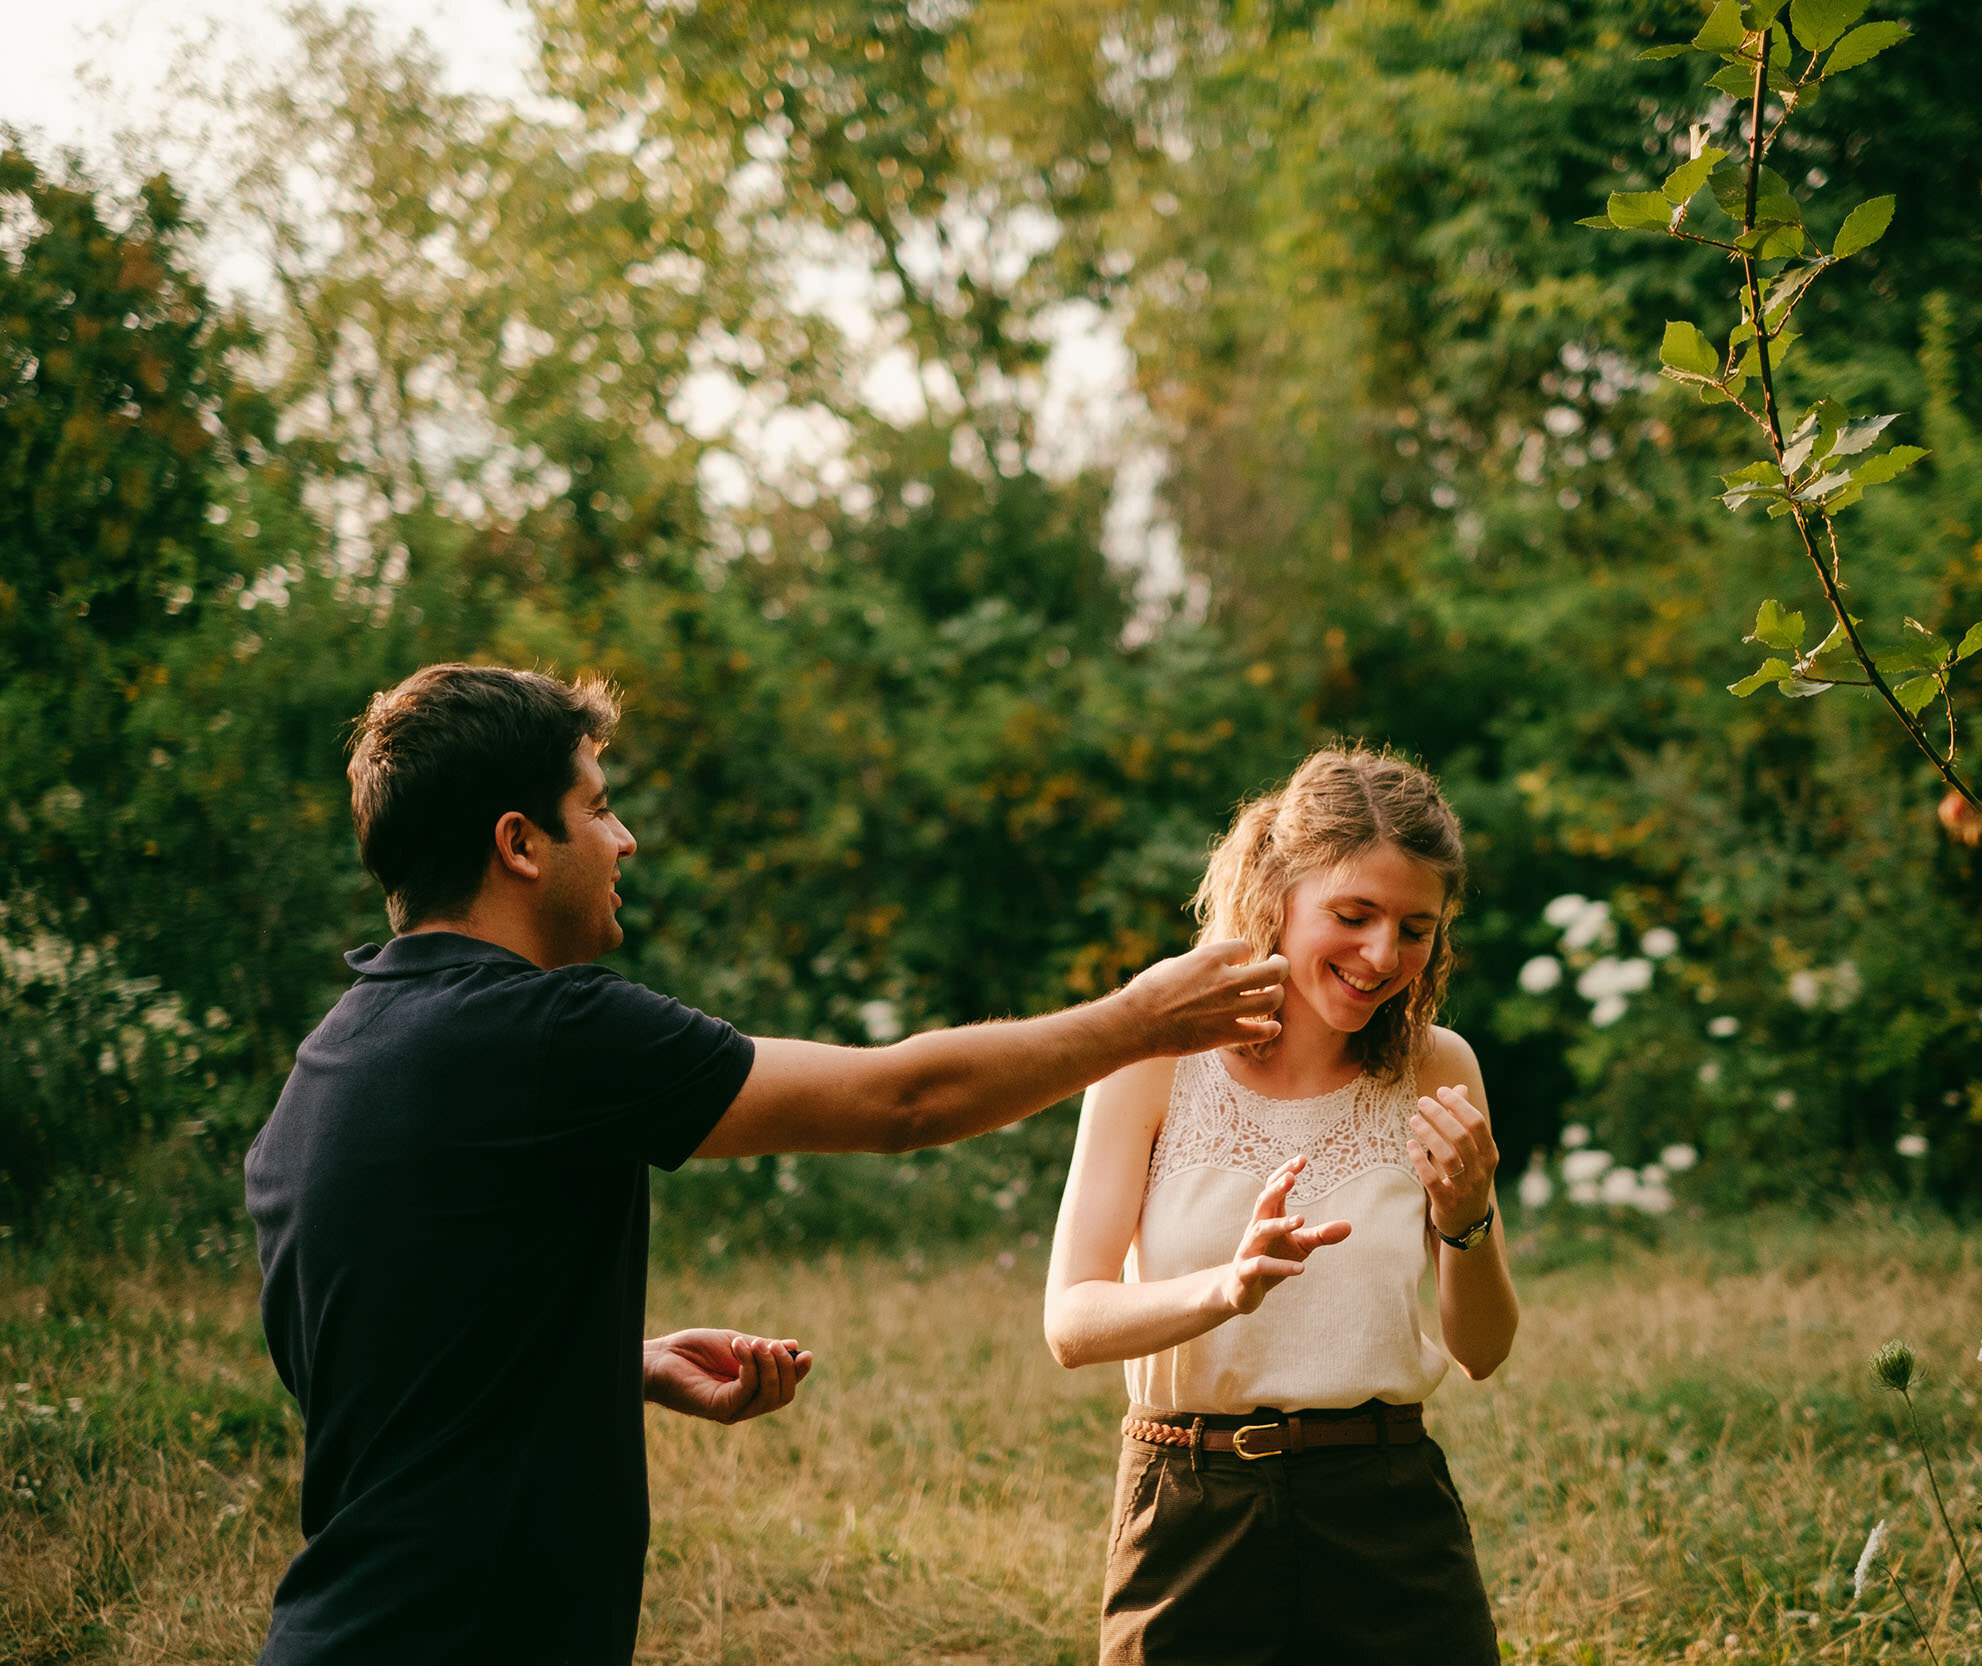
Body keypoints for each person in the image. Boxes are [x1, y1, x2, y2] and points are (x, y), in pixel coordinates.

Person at [244, 662, 1286, 1666]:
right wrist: (1136, 1022)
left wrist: (615, 1362)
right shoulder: (550, 1031)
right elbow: (901, 1100)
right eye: (598, 806)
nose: (625, 838)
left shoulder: (326, 1071)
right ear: (518, 842)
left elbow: (396, 1377)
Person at [1043, 746, 1519, 1665]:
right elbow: (1072, 1322)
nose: (1383, 956)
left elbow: (1484, 1351)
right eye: (1354, 915)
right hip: (1189, 1507)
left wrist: (1469, 1216)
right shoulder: (1154, 1060)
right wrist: (1226, 1288)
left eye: (1416, 928)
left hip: (1386, 1506)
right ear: (1276, 893)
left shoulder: (1439, 1068)